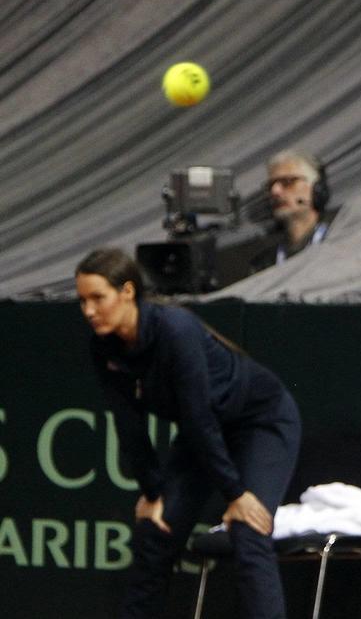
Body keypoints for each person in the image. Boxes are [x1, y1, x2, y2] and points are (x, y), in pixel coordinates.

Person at [75, 247, 301, 619]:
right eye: (82, 301)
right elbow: (128, 423)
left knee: (248, 530)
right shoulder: (103, 347)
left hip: (260, 421)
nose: (88, 310)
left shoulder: (175, 329)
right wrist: (152, 492)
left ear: (127, 291)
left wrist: (235, 494)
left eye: (98, 298)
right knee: (155, 530)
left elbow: (198, 417)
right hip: (204, 435)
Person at [250, 149, 334, 271]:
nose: (275, 191)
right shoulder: (263, 263)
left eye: (287, 182)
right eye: (270, 185)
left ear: (317, 189)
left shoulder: (340, 239)